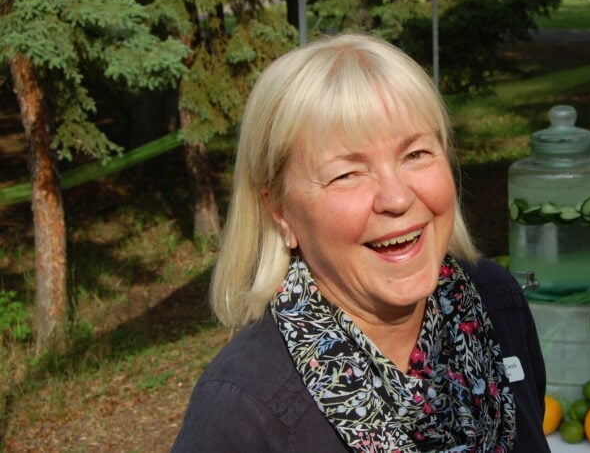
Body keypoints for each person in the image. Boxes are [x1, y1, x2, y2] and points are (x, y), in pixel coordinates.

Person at [171, 33, 551, 452]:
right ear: (280, 211)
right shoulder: (242, 412)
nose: (397, 198)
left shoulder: (495, 302)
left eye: (416, 154)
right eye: (347, 174)